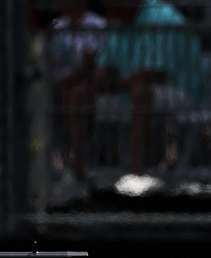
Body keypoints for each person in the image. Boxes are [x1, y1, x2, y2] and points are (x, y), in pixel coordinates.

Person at [95, 0, 203, 178]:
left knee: (141, 94)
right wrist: (114, 80)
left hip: (180, 90)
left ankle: (136, 174)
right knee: (79, 94)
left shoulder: (162, 17)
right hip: (127, 91)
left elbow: (156, 74)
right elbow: (102, 72)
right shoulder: (117, 23)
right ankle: (79, 174)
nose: (108, 11)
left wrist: (117, 81)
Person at [50, 0, 106, 185]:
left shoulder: (96, 25)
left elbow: (91, 63)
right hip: (59, 84)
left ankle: (76, 166)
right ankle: (51, 166)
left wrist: (67, 79)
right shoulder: (57, 27)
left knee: (74, 95)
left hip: (89, 83)